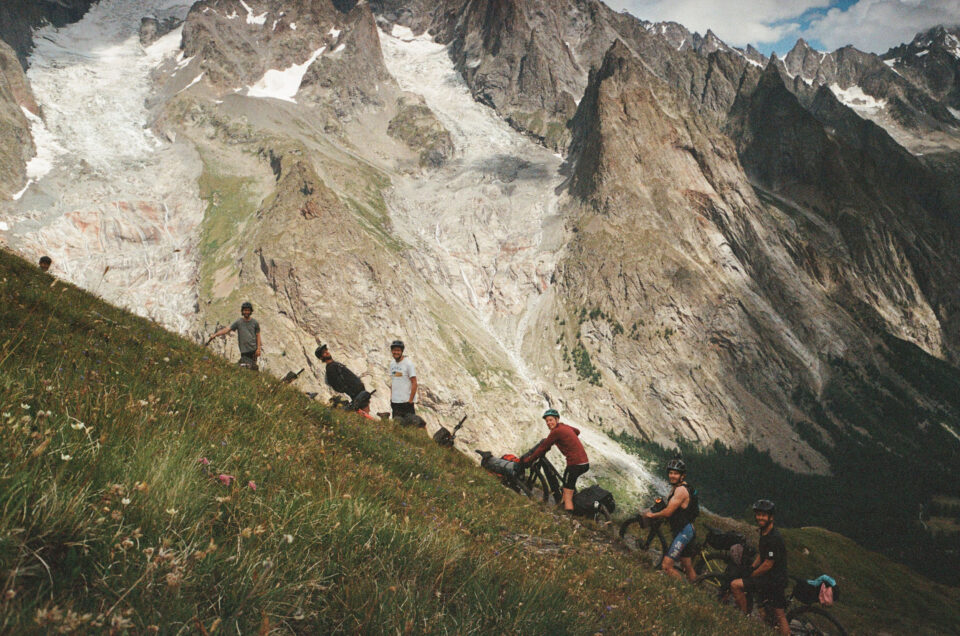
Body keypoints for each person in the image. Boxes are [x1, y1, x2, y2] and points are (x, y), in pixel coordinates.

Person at [730, 499, 790, 636]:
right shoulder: (765, 532)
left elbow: (768, 563)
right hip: (772, 578)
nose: (760, 518)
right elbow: (762, 555)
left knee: (735, 585)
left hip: (774, 581)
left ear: (771, 517)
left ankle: (744, 620)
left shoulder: (773, 538)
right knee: (768, 611)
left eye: (764, 515)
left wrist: (752, 574)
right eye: (758, 514)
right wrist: (751, 567)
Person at [518, 409, 589, 512]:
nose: (548, 423)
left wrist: (529, 460)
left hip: (575, 464)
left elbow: (543, 448)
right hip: (584, 462)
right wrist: (568, 439)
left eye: (551, 420)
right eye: (547, 421)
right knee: (568, 483)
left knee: (567, 491)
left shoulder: (556, 432)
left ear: (557, 419)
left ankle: (568, 515)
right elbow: (577, 431)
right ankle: (572, 502)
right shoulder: (563, 426)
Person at [644, 458, 699, 581]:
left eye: (676, 473)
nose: (672, 476)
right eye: (670, 473)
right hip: (688, 529)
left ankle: (684, 590)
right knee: (687, 565)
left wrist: (652, 515)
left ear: (682, 475)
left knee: (666, 566)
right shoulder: (679, 487)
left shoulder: (680, 491)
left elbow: (668, 512)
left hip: (683, 532)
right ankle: (695, 585)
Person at [206, 301, 261, 370]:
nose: (246, 312)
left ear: (250, 311)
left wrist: (258, 349)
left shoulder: (255, 323)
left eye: (248, 310)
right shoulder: (238, 322)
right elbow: (227, 329)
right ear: (242, 311)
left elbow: (258, 335)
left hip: (253, 349)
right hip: (244, 350)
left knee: (250, 366)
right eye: (245, 310)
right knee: (247, 366)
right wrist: (215, 334)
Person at [387, 340, 417, 419]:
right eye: (394, 350)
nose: (396, 352)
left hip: (406, 402)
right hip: (395, 402)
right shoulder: (392, 364)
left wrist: (410, 401)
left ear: (402, 351)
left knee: (410, 428)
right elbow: (394, 381)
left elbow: (414, 382)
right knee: (397, 428)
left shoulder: (408, 364)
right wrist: (391, 398)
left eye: (398, 350)